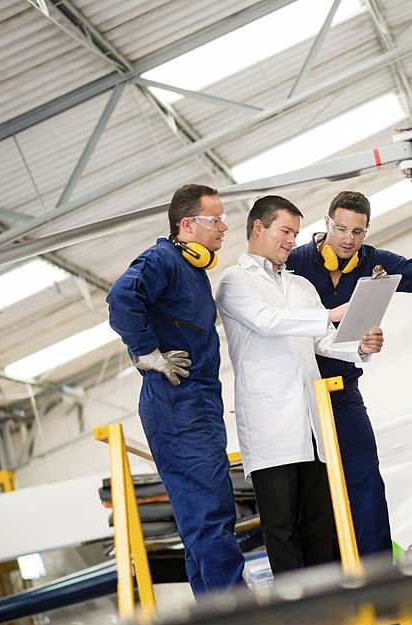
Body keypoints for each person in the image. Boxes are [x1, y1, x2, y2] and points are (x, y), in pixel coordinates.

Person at [285, 190, 412, 557]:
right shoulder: (294, 263)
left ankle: (381, 576)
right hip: (296, 396)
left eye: (358, 232)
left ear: (366, 230)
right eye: (341, 229)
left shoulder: (373, 263)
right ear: (326, 224)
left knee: (365, 481)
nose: (348, 239)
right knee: (311, 494)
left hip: (342, 392)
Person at [215, 195, 384, 575]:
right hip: (270, 429)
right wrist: (331, 314)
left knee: (322, 531)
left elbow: (322, 343)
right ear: (258, 228)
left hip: (311, 427)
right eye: (285, 232)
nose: (293, 240)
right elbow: (269, 321)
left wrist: (360, 345)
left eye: (295, 233)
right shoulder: (234, 281)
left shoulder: (300, 285)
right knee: (283, 532)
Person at [107, 183, 244, 595]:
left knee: (199, 516)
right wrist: (147, 351)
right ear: (186, 225)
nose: (223, 226)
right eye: (214, 219)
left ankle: (216, 611)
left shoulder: (192, 270)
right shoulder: (163, 259)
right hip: (178, 403)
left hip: (195, 402)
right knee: (210, 512)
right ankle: (236, 612)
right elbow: (120, 298)